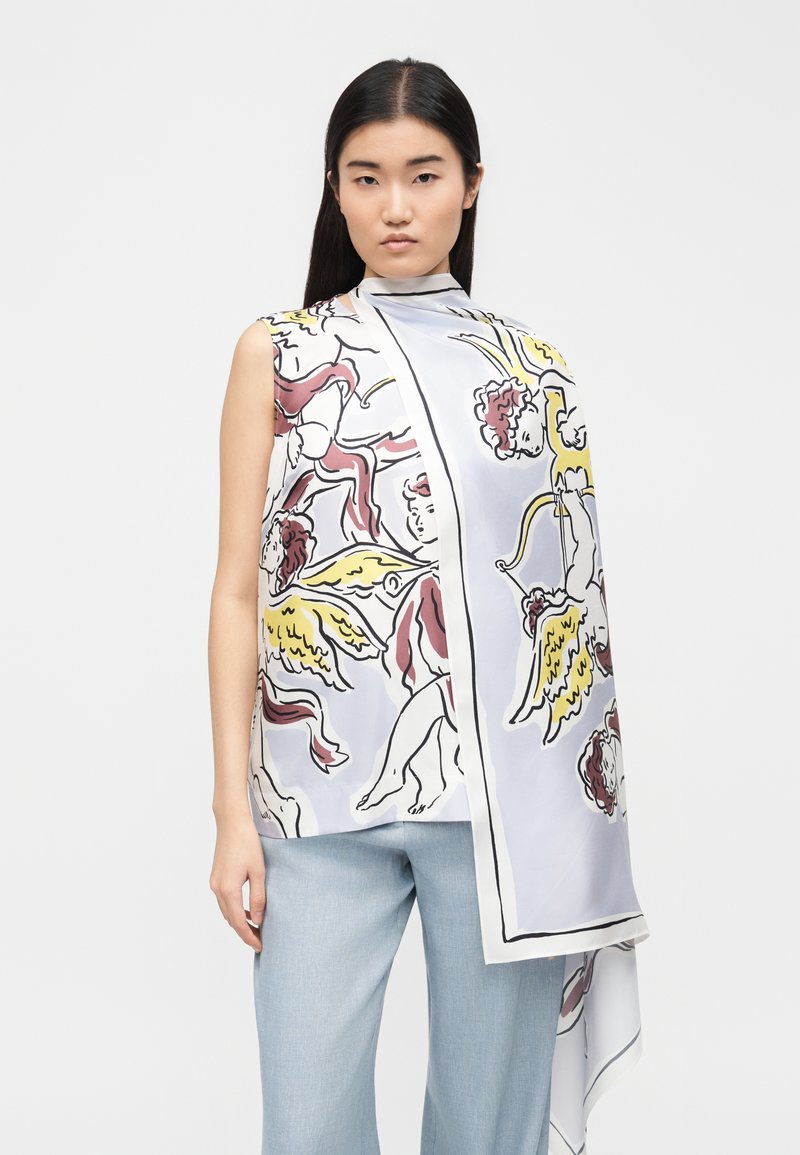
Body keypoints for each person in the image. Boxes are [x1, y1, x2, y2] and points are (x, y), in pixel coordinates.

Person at [208, 57, 649, 1155]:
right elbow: (237, 588)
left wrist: (585, 827)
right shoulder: (281, 352)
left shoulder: (533, 371)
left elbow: (569, 613)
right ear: (334, 188)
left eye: (423, 175)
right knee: (305, 1127)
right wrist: (231, 816)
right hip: (315, 803)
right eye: (365, 178)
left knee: (486, 1134)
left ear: (471, 184)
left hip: (504, 814)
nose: (394, 207)